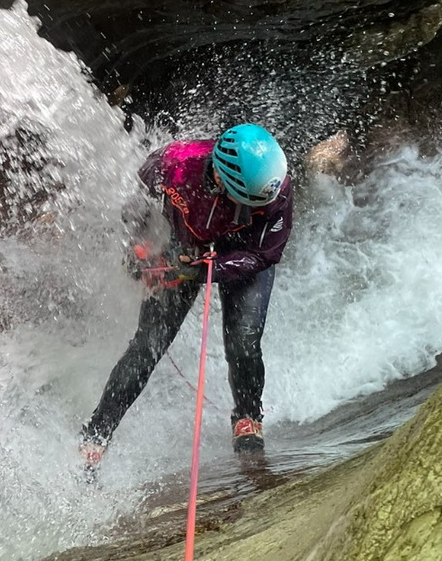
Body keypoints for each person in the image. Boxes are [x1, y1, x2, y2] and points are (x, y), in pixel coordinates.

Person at [80, 123, 293, 470]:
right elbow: (138, 205)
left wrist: (211, 269)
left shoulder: (276, 188)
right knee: (148, 343)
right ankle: (96, 433)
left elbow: (266, 253)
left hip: (245, 254)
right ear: (224, 181)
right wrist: (140, 250)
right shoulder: (175, 163)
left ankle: (247, 417)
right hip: (185, 247)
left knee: (243, 342)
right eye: (253, 201)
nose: (268, 202)